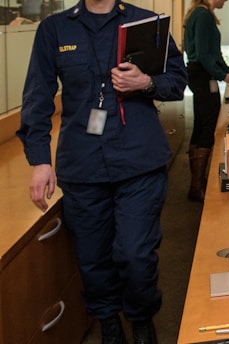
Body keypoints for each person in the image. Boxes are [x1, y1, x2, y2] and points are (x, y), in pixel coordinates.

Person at [17, 0, 187, 343]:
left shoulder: (147, 22)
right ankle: (109, 322)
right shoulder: (55, 29)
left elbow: (177, 81)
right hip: (83, 164)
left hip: (139, 160)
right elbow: (38, 97)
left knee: (135, 254)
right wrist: (39, 161)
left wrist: (146, 83)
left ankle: (141, 318)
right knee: (93, 258)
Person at [183, 0, 229, 202]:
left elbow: (214, 54)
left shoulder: (201, 14)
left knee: (200, 125)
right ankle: (196, 187)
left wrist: (227, 71)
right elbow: (204, 54)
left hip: (202, 74)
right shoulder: (203, 15)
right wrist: (222, 75)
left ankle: (198, 182)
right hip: (202, 74)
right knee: (207, 125)